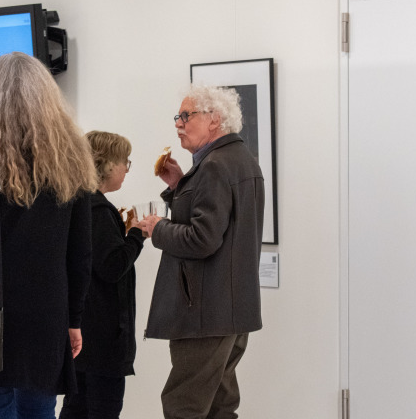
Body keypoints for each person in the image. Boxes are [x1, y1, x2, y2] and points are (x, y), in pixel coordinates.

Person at [0, 52, 98, 419]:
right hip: (46, 316)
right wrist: (73, 318)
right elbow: (80, 252)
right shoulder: (71, 156)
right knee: (39, 411)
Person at [139, 84, 265, 419]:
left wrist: (157, 228)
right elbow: (222, 225)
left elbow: (202, 239)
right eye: (177, 117)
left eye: (186, 115)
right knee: (220, 406)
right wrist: (180, 186)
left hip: (204, 312)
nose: (178, 123)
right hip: (232, 310)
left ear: (215, 120)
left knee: (184, 406)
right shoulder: (241, 159)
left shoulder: (214, 165)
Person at [59, 131, 146, 419]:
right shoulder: (98, 210)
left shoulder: (75, 202)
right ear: (107, 164)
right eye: (125, 162)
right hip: (103, 338)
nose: (126, 169)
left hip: (82, 332)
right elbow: (112, 266)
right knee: (101, 410)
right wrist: (136, 234)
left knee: (76, 408)